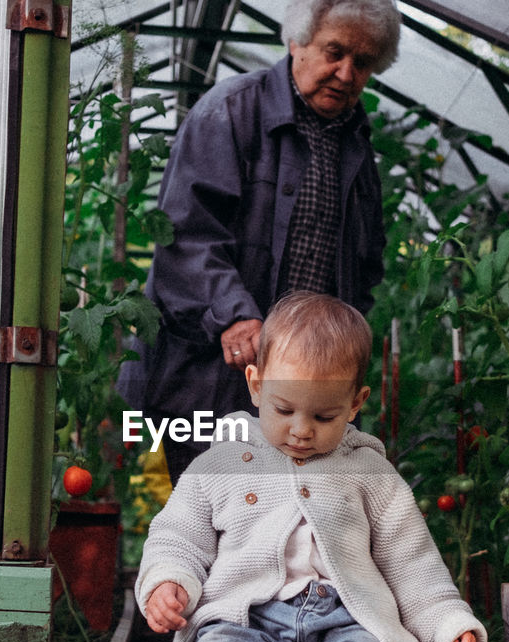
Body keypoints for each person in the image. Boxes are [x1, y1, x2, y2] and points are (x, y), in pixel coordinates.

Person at [135, 292, 486, 642]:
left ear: (356, 403)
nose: (301, 429)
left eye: (323, 416)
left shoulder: (369, 471)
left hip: (347, 618)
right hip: (247, 613)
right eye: (283, 410)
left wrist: (446, 622)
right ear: (255, 385)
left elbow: (410, 561)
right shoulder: (223, 460)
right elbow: (179, 534)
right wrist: (168, 583)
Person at [119, 0, 399, 483]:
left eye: (364, 62)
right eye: (335, 51)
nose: (347, 72)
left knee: (296, 521)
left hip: (306, 386)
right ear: (296, 41)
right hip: (213, 371)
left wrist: (339, 350)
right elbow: (185, 235)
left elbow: (365, 262)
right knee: (217, 515)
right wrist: (235, 315)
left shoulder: (355, 142)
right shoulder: (230, 110)